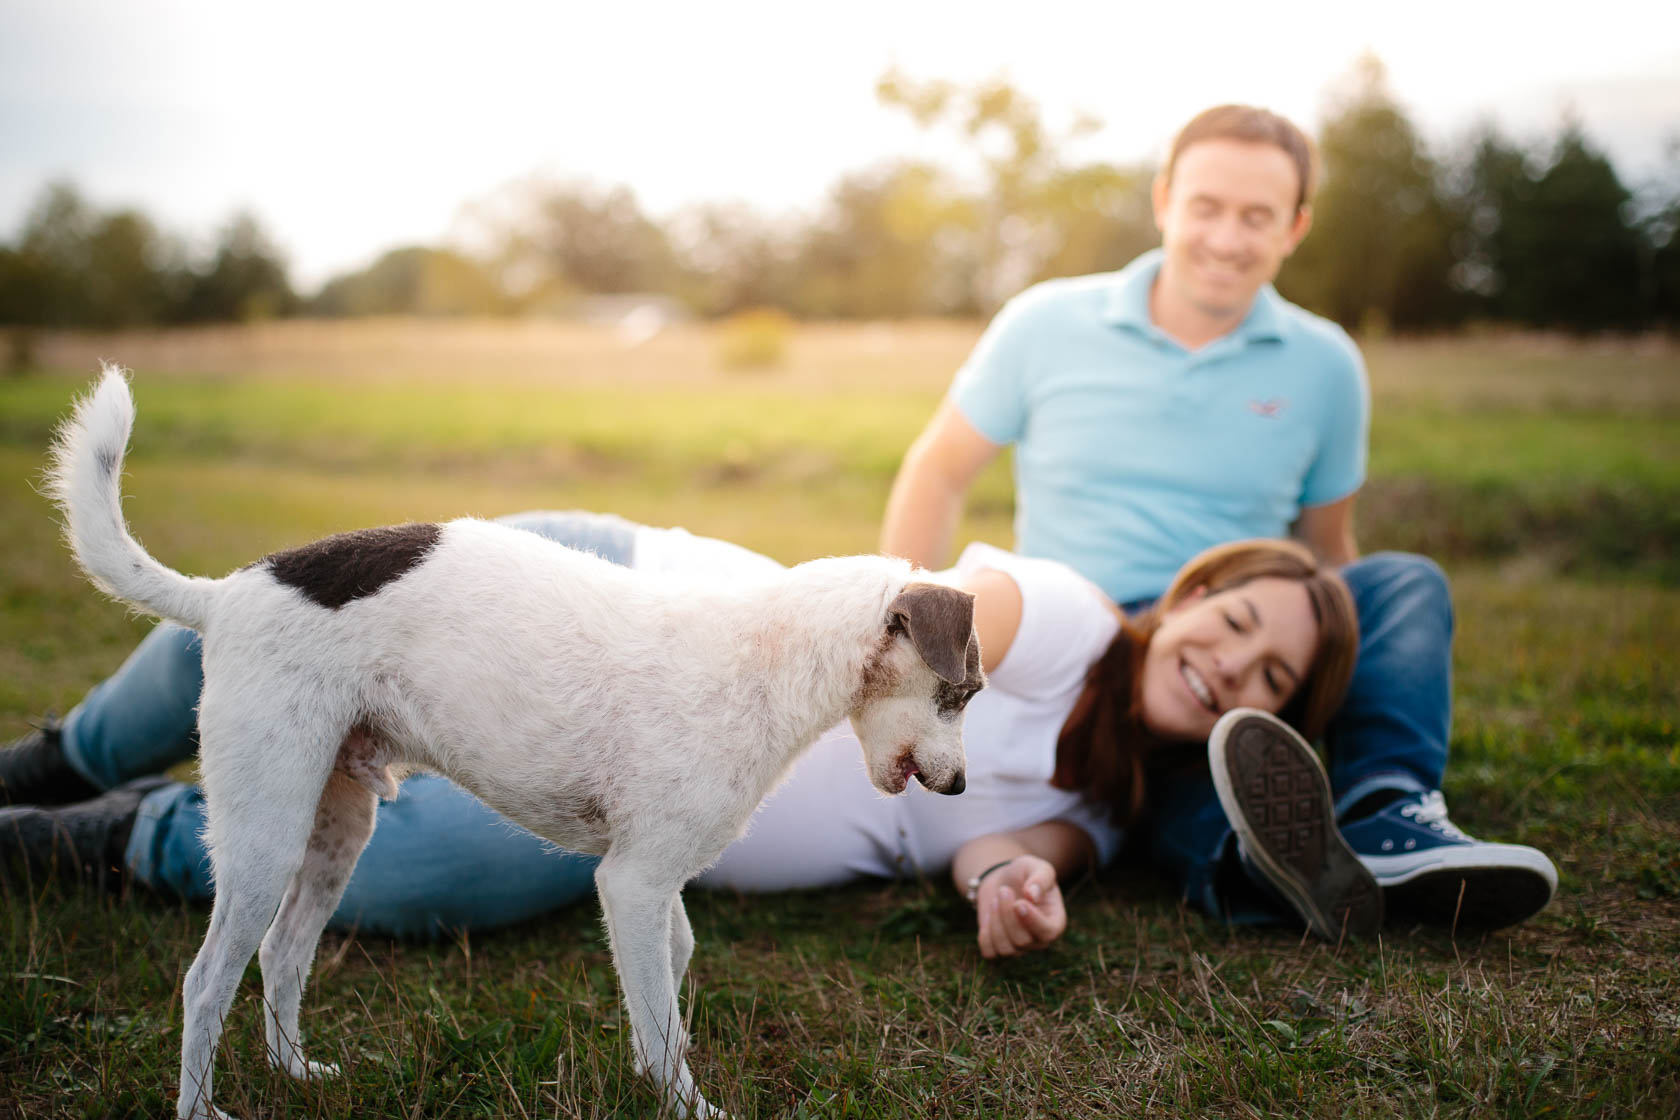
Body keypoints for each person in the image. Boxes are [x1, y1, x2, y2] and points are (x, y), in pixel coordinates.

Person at [1, 511, 1358, 957]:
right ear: (1188, 599)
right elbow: (924, 620)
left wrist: (1012, 886)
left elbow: (999, 848)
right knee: (309, 607)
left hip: (656, 817)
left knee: (417, 877)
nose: (1233, 659)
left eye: (1273, 676)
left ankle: (115, 835)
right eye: (1233, 620)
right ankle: (74, 751)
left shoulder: (1110, 811)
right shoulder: (1059, 621)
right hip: (626, 620)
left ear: (1277, 724)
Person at [878, 103, 1557, 933]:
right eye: (1207, 207)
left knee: (1403, 583)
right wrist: (899, 632)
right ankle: (1254, 865)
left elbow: (1327, 547)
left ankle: (1388, 815)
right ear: (1166, 200)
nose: (1227, 238)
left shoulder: (1326, 364)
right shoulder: (1047, 322)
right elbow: (939, 469)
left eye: (1257, 216)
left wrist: (1331, 683)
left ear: (1295, 227)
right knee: (1158, 759)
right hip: (1088, 642)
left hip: (1241, 626)